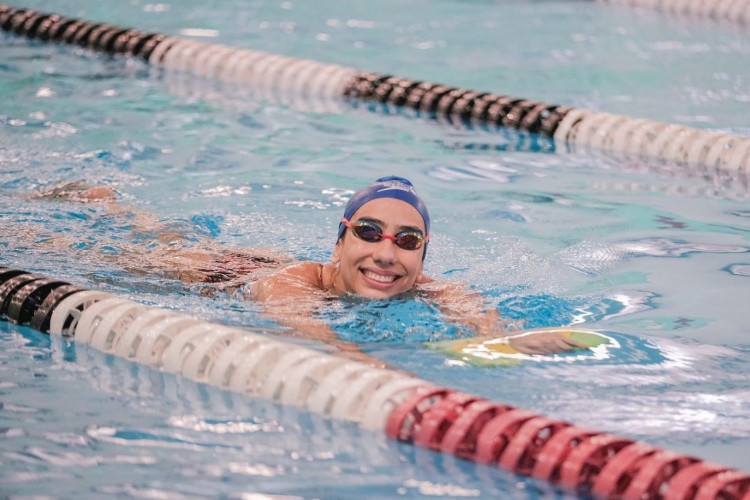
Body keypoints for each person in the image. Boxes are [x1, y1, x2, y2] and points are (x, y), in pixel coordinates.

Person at [31, 177, 587, 365]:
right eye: (368, 233)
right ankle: (102, 201)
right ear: (340, 241)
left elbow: (481, 321)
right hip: (200, 273)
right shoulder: (288, 283)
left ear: (422, 254)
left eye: (407, 240)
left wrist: (511, 343)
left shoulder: (430, 286)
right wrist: (366, 365)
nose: (386, 254)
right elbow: (312, 336)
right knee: (132, 245)